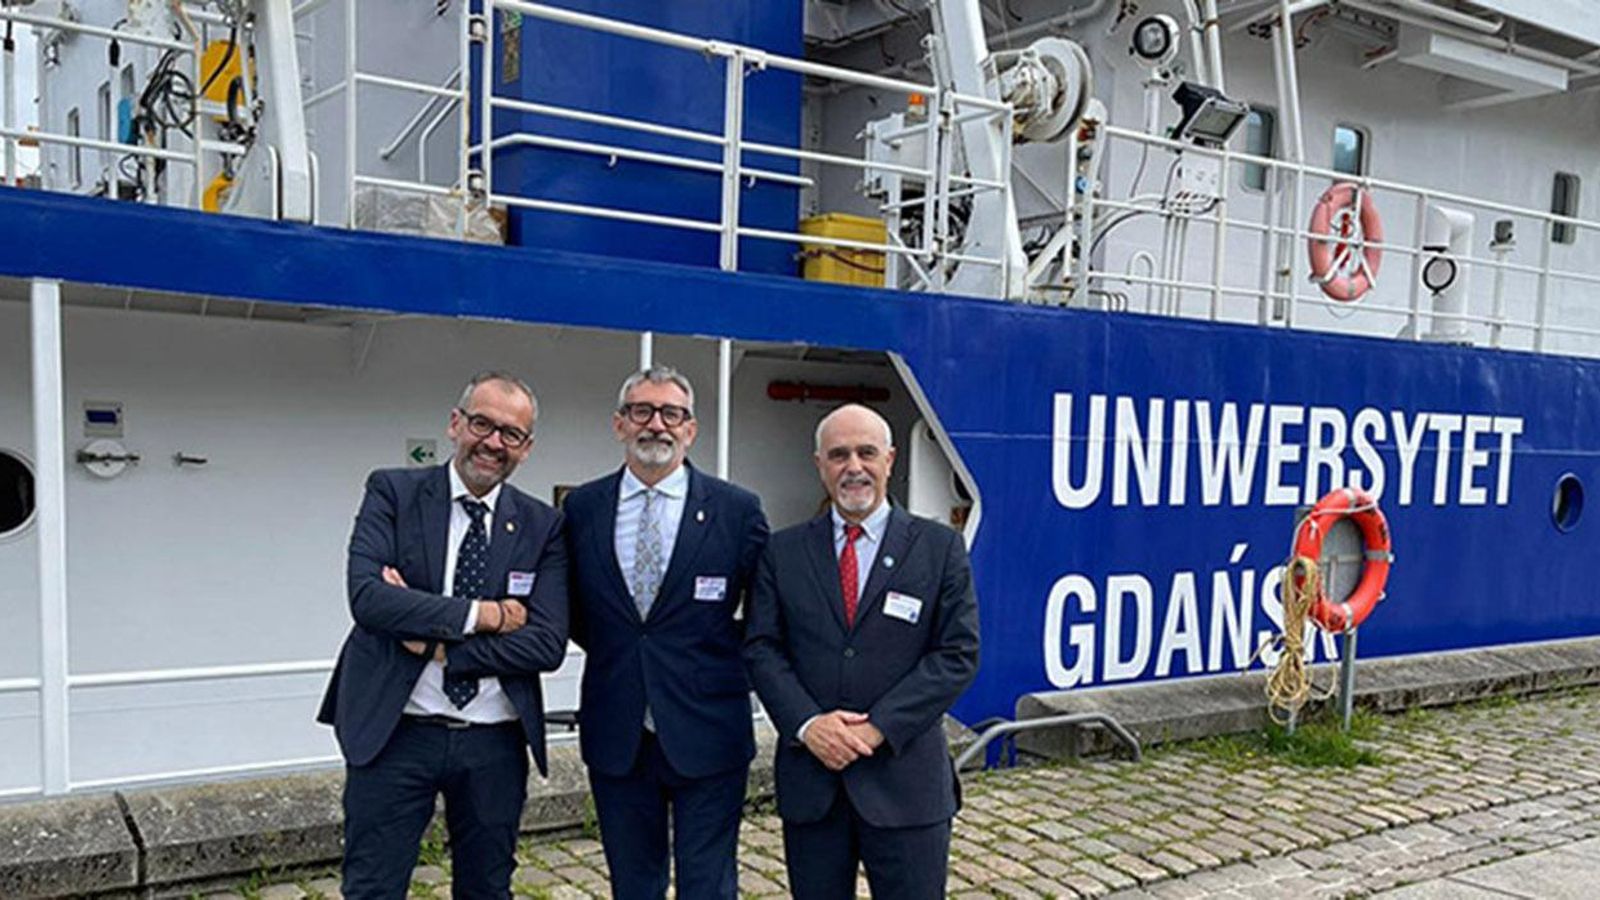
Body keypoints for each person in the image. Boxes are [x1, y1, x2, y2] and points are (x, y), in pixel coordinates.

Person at [318, 371, 570, 900]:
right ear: (456, 424)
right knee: (371, 889)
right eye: (482, 424)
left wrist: (436, 646)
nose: (493, 442)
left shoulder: (543, 525)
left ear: (527, 449)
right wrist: (486, 615)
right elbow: (368, 599)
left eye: (511, 434)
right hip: (396, 730)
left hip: (493, 741)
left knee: (486, 889)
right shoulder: (393, 491)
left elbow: (545, 644)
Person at [743, 403, 980, 900]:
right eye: (839, 454)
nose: (853, 466)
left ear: (890, 459)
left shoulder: (939, 548)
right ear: (819, 464)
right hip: (814, 783)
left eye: (866, 452)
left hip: (907, 784)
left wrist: (875, 729)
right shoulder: (782, 552)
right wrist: (810, 725)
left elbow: (956, 654)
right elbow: (762, 649)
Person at [563, 366, 769, 899]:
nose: (657, 424)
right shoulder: (582, 509)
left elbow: (766, 617)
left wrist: (712, 663)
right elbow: (583, 613)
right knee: (632, 884)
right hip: (617, 730)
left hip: (710, 730)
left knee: (709, 885)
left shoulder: (737, 510)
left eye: (671, 413)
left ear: (690, 429)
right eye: (642, 411)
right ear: (619, 424)